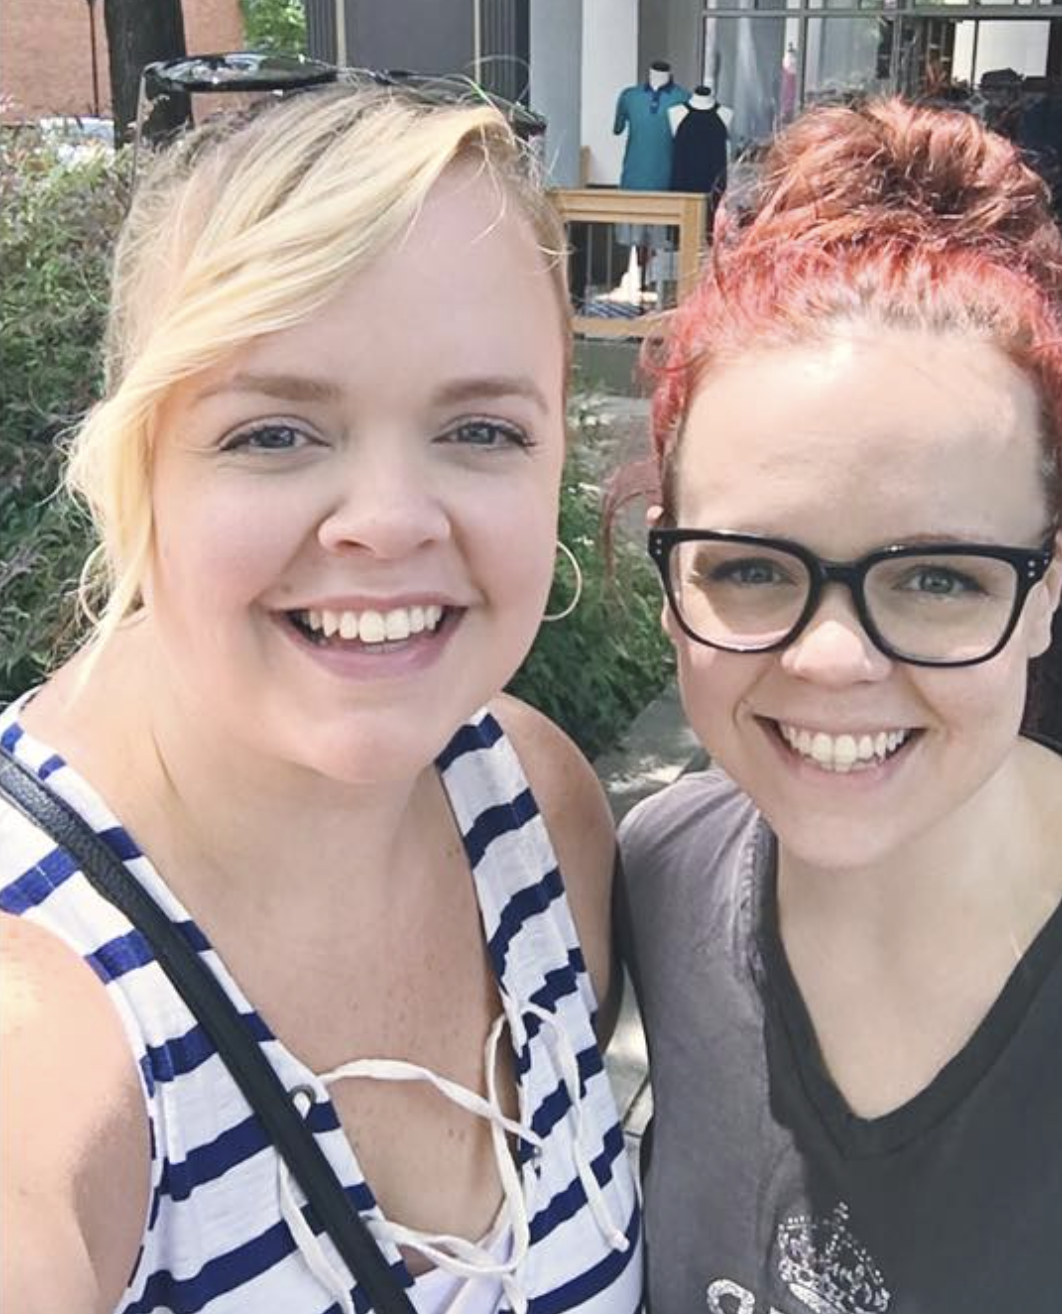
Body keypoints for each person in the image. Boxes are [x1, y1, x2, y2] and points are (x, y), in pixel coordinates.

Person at [0, 85, 642, 1314]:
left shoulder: (533, 812)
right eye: (277, 434)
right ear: (140, 465)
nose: (390, 521)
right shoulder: (46, 1006)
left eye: (483, 431)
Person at [618, 96, 1062, 1313]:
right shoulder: (657, 875)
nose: (829, 660)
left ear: (1043, 589)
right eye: (753, 567)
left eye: (935, 578)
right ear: (672, 574)